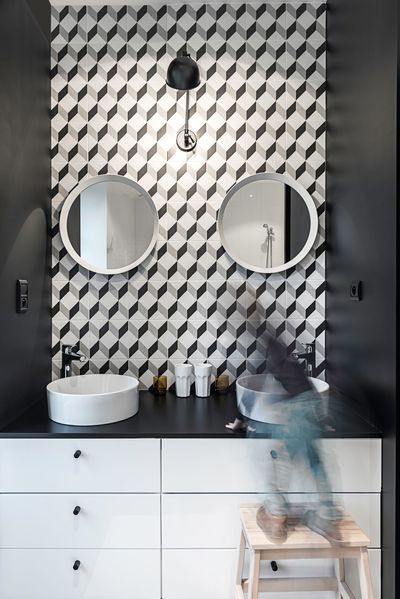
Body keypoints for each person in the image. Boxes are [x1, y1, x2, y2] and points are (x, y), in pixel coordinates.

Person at [227, 334, 343, 545]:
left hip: (292, 415)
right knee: (315, 463)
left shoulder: (271, 364)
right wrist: (323, 423)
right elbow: (312, 398)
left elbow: (251, 399)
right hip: (311, 410)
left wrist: (238, 423)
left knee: (274, 461)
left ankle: (276, 515)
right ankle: (327, 517)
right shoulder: (293, 366)